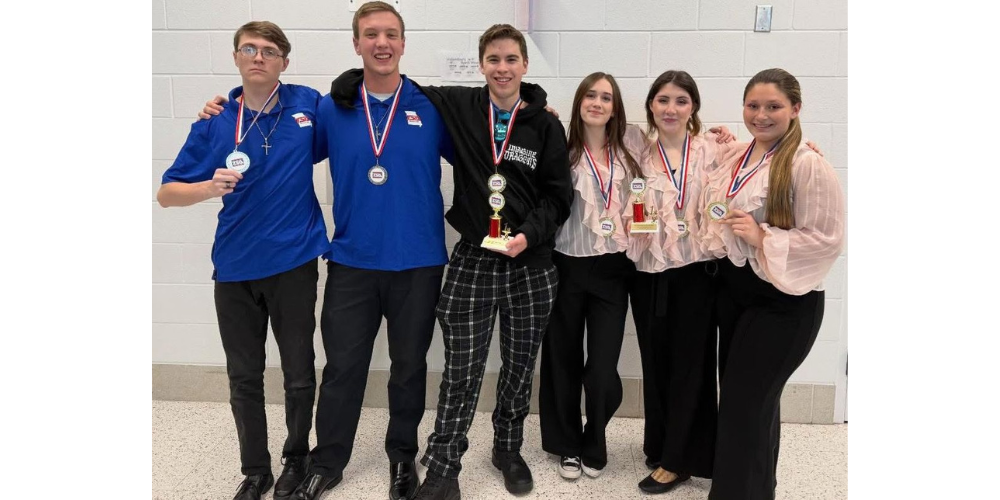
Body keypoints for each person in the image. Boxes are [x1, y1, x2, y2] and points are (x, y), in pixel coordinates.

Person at [157, 21, 327, 500]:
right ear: (235, 57)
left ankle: (297, 459)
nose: (259, 57)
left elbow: (363, 119)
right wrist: (207, 188)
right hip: (233, 267)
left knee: (298, 371)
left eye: (270, 51)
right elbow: (167, 194)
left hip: (294, 260)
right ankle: (255, 470)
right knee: (244, 376)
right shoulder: (213, 122)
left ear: (284, 63)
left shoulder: (308, 105)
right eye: (249, 49)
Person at [406, 23, 573, 500]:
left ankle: (508, 447)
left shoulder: (545, 124)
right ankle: (442, 464)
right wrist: (346, 84)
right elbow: (398, 85)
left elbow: (558, 198)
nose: (502, 68)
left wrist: (527, 236)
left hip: (531, 264)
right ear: (482, 65)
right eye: (494, 59)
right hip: (474, 258)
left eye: (511, 60)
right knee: (462, 368)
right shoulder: (460, 106)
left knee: (520, 366)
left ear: (524, 65)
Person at [700, 67, 845, 500]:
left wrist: (764, 236)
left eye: (773, 107)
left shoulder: (807, 164)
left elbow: (827, 240)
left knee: (745, 409)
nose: (761, 115)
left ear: (795, 109)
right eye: (753, 106)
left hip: (782, 302)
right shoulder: (740, 155)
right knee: (750, 408)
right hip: (736, 295)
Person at [625, 70, 737, 494]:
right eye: (663, 100)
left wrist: (808, 148)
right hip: (649, 273)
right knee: (655, 365)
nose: (671, 109)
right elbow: (590, 136)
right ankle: (659, 447)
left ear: (694, 108)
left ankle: (679, 460)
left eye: (681, 101)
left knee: (691, 367)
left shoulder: (714, 148)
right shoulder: (637, 148)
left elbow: (768, 154)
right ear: (651, 105)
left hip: (697, 274)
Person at [536, 72, 646, 481]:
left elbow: (681, 144)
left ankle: (593, 439)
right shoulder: (559, 149)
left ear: (615, 108)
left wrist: (723, 136)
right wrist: (539, 117)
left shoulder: (631, 150)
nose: (597, 103)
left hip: (614, 271)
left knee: (601, 368)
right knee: (562, 359)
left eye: (606, 97)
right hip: (566, 264)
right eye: (590, 95)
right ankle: (566, 445)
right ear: (579, 101)